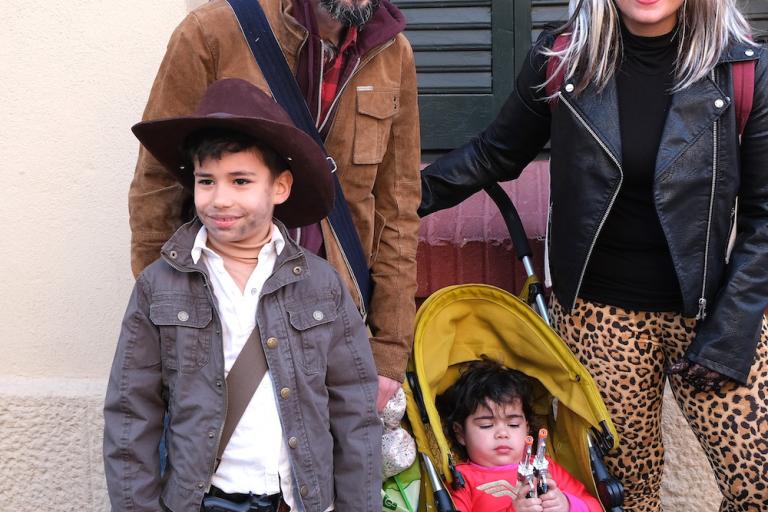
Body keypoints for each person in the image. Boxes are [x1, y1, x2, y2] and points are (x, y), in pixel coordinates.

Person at [419, 1, 768, 510]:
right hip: (600, 318)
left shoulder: (742, 68)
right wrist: (399, 203)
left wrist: (731, 331)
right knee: (626, 491)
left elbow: (764, 214)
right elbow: (496, 152)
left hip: (712, 311)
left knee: (758, 483)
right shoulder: (563, 59)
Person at [104, 78, 382, 512]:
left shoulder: (321, 285)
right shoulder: (159, 286)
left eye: (240, 181)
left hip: (298, 502)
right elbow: (130, 414)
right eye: (206, 181)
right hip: (205, 502)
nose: (220, 199)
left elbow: (355, 415)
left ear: (279, 187)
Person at [128, 0, 421, 411]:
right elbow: (157, 186)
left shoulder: (393, 52)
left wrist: (389, 349)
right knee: (204, 451)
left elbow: (398, 208)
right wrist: (167, 319)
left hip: (332, 328)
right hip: (221, 325)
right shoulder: (213, 32)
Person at [436, 359, 603, 512]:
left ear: (527, 429)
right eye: (486, 425)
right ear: (461, 434)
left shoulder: (544, 467)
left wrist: (568, 504)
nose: (502, 433)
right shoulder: (461, 481)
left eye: (514, 424)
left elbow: (596, 507)